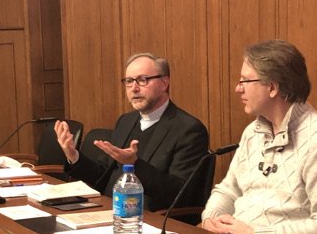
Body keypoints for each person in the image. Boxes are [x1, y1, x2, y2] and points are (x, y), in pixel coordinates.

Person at [200, 39, 317, 234]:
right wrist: (211, 219)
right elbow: (228, 190)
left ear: (272, 87)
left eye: (245, 81)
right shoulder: (252, 132)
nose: (238, 89)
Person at [54, 52, 210, 211]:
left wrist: (134, 165)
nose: (134, 88)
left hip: (148, 220)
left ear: (164, 83)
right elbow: (102, 176)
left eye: (143, 80)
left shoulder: (189, 130)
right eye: (129, 81)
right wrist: (73, 155)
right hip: (108, 211)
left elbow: (180, 193)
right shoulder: (126, 121)